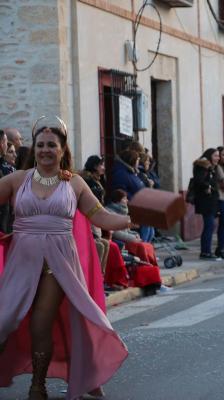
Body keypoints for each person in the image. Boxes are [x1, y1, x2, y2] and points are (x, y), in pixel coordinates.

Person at [0, 119, 129, 400]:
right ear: (34, 148)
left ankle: (38, 384)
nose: (45, 150)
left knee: (41, 321)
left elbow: (100, 216)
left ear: (62, 150)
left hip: (58, 261)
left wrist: (129, 219)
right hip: (22, 258)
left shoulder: (75, 182)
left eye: (52, 146)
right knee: (4, 318)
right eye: (41, 145)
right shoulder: (16, 180)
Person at [193, 148, 221, 260]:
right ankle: (205, 252)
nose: (217, 158)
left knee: (211, 225)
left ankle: (207, 251)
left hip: (211, 200)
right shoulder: (202, 166)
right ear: (209, 156)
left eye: (218, 156)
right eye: (215, 156)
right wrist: (207, 186)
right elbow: (199, 181)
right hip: (206, 201)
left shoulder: (210, 167)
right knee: (209, 225)